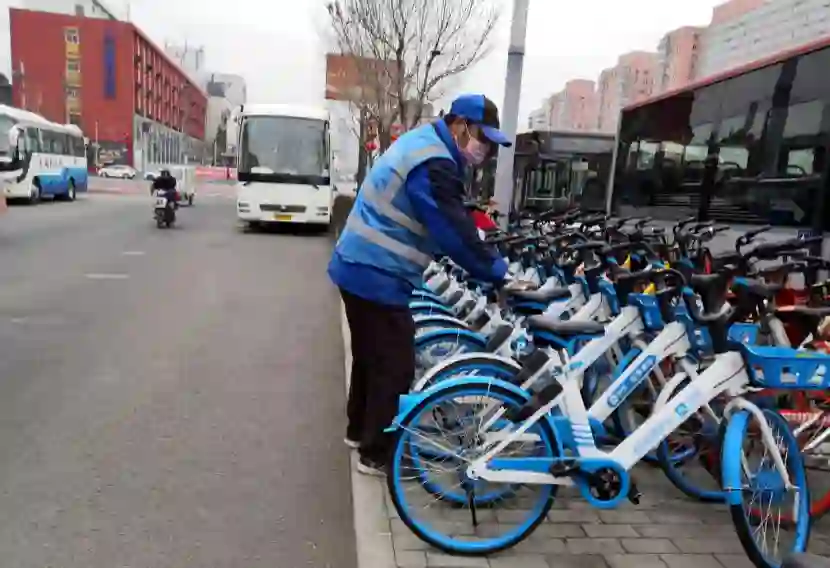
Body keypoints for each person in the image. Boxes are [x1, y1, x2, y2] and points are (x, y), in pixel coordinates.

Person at [328, 94, 513, 476]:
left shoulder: (423, 144)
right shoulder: (435, 160)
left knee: (370, 356)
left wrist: (473, 221)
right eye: (483, 138)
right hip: (377, 270)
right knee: (395, 364)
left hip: (359, 263)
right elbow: (450, 230)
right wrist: (497, 272)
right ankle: (376, 454)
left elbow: (445, 211)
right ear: (460, 125)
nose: (486, 149)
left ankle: (358, 431)